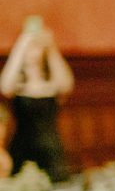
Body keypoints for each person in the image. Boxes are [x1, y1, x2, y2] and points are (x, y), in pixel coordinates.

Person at [0, 15, 74, 181]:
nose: (33, 50)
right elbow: (5, 87)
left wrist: (50, 46)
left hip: (52, 150)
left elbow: (66, 84)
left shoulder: (53, 82)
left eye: (36, 46)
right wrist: (22, 44)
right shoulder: (16, 84)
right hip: (22, 149)